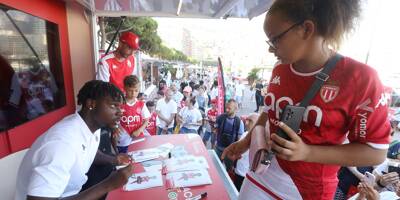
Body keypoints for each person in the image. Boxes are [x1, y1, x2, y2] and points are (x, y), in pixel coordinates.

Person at [222, 1, 391, 199]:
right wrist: (244, 144)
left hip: (308, 190)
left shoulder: (361, 78)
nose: (271, 49)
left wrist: (307, 152)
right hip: (262, 173)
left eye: (275, 40)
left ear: (306, 29)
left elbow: (375, 153)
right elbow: (268, 113)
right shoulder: (280, 68)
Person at [15, 80, 132, 200]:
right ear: (91, 104)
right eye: (113, 106)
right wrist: (108, 185)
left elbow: (89, 152)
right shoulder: (62, 144)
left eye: (120, 107)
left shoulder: (91, 126)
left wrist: (114, 160)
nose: (120, 113)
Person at [116, 75, 150, 153]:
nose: (133, 93)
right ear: (125, 88)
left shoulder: (141, 104)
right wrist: (115, 128)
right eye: (130, 90)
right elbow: (113, 119)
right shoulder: (119, 104)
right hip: (122, 141)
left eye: (136, 90)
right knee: (124, 161)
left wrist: (139, 130)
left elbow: (147, 119)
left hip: (137, 139)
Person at [215, 99, 244, 171]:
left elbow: (239, 139)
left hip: (230, 152)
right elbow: (215, 130)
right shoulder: (220, 117)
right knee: (215, 168)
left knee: (229, 170)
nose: (227, 110)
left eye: (229, 108)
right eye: (226, 108)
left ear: (236, 109)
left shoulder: (239, 122)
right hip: (218, 148)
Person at [234, 113, 259, 191]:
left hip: (246, 174)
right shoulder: (245, 134)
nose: (246, 123)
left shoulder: (260, 139)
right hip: (239, 170)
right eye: (246, 120)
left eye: (250, 121)